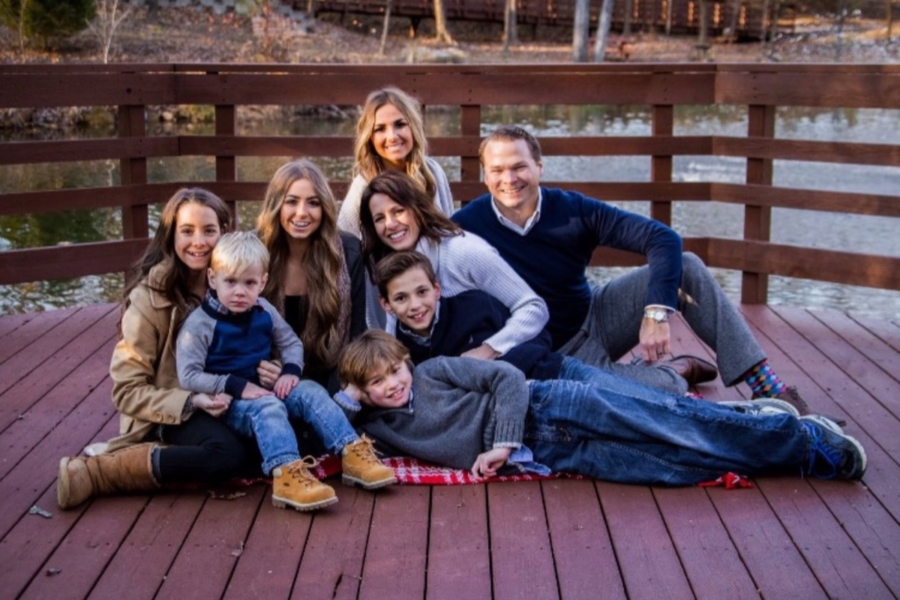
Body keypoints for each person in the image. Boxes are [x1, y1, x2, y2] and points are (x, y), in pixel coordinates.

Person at [453, 124, 826, 419]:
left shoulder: (574, 209)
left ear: (539, 167)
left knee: (689, 266)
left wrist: (655, 312)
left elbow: (662, 238)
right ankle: (678, 372)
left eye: (519, 166)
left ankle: (768, 385)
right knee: (657, 397)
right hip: (557, 352)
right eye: (497, 169)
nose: (509, 178)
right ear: (484, 175)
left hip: (598, 313)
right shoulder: (465, 227)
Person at [336, 330, 866, 486]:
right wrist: (353, 394)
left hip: (552, 407)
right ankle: (761, 432)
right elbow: (332, 417)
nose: (393, 385)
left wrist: (499, 443)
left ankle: (803, 442)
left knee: (674, 423)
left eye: (394, 371)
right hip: (552, 453)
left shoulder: (434, 371)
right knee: (672, 467)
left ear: (407, 362)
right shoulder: (376, 425)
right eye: (376, 383)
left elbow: (506, 378)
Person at [57, 188, 257, 510]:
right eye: (187, 231)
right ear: (170, 235)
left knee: (284, 436)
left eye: (209, 231)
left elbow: (260, 341)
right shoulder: (149, 299)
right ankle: (101, 473)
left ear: (224, 232)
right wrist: (191, 401)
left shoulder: (235, 285)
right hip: (171, 411)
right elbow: (127, 391)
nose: (199, 242)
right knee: (228, 455)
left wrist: (272, 365)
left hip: (226, 397)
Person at [175, 231, 396, 511]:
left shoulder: (263, 309)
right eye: (230, 282)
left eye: (249, 282)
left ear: (263, 282)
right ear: (212, 278)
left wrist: (290, 370)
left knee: (311, 391)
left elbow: (291, 342)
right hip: (229, 404)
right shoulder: (200, 324)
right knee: (268, 407)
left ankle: (351, 452)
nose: (240, 291)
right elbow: (188, 375)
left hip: (265, 386)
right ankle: (287, 474)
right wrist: (235, 385)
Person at [359, 170, 548, 360]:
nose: (390, 224)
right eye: (379, 218)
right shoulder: (390, 269)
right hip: (457, 373)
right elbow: (395, 345)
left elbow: (533, 307)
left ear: (417, 209)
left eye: (398, 211)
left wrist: (487, 351)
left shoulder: (464, 251)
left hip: (521, 358)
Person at [257, 159, 366, 394]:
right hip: (268, 378)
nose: (302, 213)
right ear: (276, 205)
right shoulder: (255, 252)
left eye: (313, 203)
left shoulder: (348, 252)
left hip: (334, 375)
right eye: (291, 202)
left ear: (324, 207)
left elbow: (357, 335)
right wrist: (270, 370)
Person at [338, 86, 455, 239]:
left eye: (399, 125)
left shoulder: (432, 171)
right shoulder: (362, 187)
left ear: (413, 127)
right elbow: (343, 245)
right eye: (380, 129)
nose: (392, 136)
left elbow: (450, 227)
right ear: (370, 138)